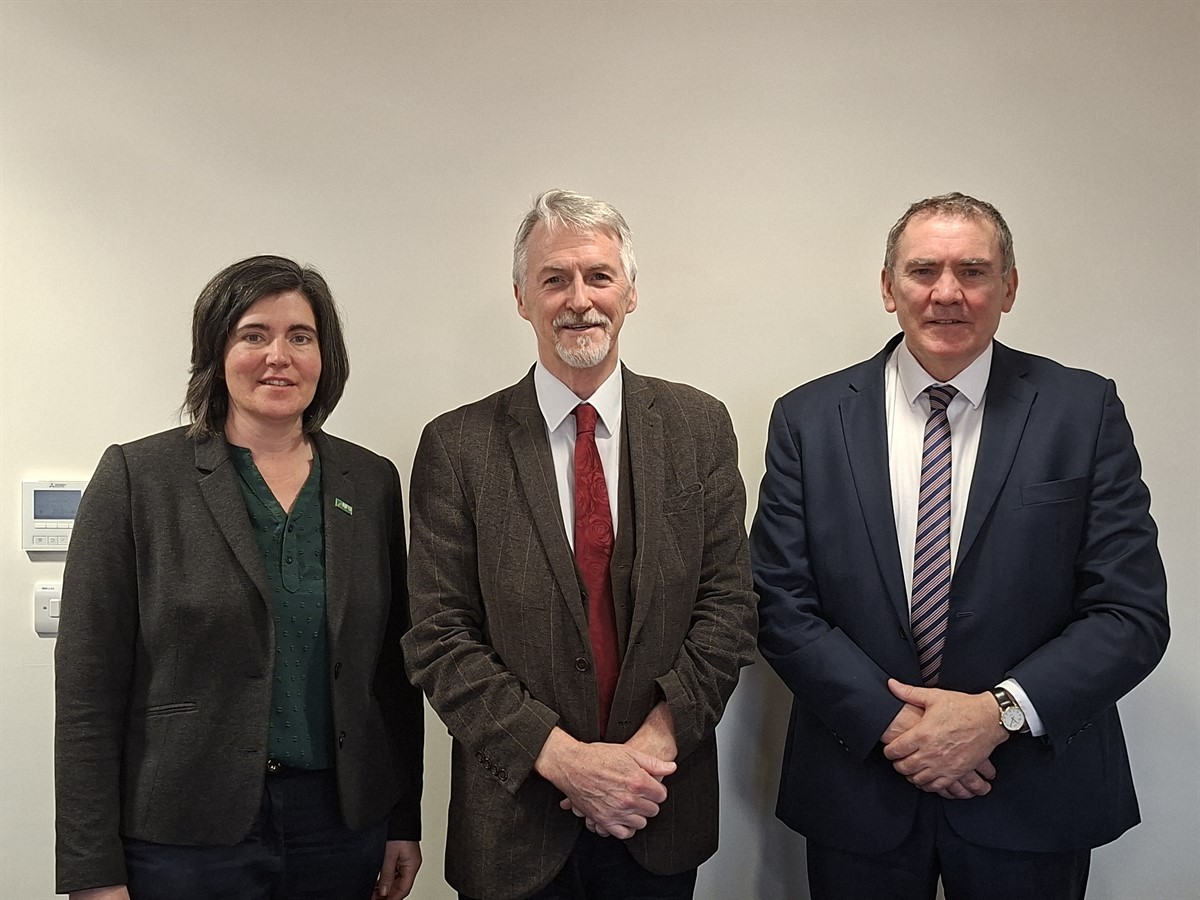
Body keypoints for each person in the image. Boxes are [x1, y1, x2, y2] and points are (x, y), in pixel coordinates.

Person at [751, 192, 1169, 899]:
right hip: (862, 791)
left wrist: (995, 714)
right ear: (889, 288)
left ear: (1008, 287)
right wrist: (897, 728)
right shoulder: (808, 418)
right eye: (923, 271)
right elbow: (780, 604)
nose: (947, 293)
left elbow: (1130, 614)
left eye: (973, 271)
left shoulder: (1083, 410)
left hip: (1032, 792)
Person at [403, 189, 758, 900]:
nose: (579, 300)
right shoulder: (457, 446)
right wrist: (565, 762)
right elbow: (440, 638)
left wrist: (647, 754)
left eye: (598, 276)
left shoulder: (698, 427)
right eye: (554, 279)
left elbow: (729, 611)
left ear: (630, 292)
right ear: (521, 299)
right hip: (514, 829)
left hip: (656, 811)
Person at [54, 255, 424, 900]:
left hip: (338, 828)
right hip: (183, 834)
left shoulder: (371, 482)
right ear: (217, 353)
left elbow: (392, 673)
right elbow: (87, 687)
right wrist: (91, 868)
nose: (278, 355)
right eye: (254, 334)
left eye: (300, 336)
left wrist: (403, 819)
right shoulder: (139, 479)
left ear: (324, 355)